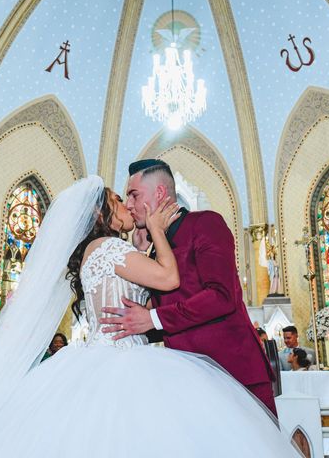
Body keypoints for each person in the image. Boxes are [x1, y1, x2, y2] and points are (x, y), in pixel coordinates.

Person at [0, 176, 300, 457]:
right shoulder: (109, 248)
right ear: (102, 211)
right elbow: (168, 277)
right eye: (120, 199)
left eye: (131, 196)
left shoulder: (98, 250)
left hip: (105, 355)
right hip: (124, 360)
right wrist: (159, 231)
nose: (128, 206)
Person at [99, 160, 278, 416]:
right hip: (188, 378)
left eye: (133, 194)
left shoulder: (205, 223)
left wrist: (151, 318)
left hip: (234, 372)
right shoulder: (153, 249)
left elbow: (221, 296)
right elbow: (164, 320)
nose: (128, 204)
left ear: (159, 193)